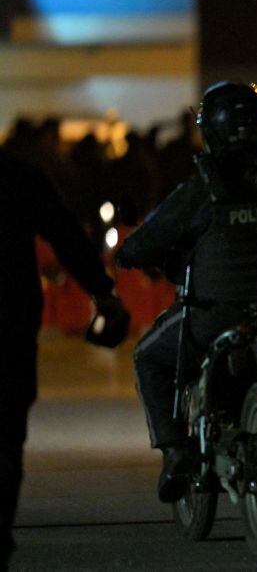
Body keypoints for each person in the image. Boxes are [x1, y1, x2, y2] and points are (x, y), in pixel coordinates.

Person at [116, 82, 257, 503]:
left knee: (148, 357)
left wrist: (128, 253)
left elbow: (152, 237)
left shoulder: (203, 186)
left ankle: (176, 452)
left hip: (213, 316)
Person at [0, 147, 128, 568]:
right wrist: (103, 292)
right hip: (11, 322)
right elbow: (64, 233)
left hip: (14, 321)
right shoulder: (17, 174)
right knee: (7, 434)